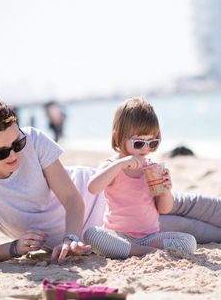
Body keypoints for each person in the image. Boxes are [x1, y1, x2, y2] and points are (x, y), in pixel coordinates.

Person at [0, 95, 221, 263]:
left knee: (192, 203)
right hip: (113, 230)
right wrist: (13, 249)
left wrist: (72, 235)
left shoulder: (35, 141)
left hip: (113, 199)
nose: (14, 154)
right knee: (198, 230)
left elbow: (73, 198)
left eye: (18, 143)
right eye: (1, 152)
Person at [84, 97, 197, 258]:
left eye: (152, 143)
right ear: (117, 137)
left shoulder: (151, 167)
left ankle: (139, 250)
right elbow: (92, 187)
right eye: (138, 143)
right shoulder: (113, 166)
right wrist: (120, 165)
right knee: (92, 234)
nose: (145, 148)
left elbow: (164, 209)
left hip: (150, 238)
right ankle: (143, 252)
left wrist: (166, 190)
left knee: (189, 241)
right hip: (119, 236)